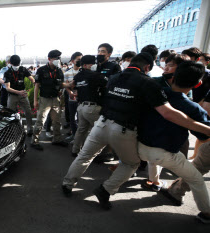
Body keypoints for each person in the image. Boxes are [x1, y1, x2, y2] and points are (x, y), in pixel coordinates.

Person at [61, 53, 210, 211]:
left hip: (101, 123)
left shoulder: (114, 77)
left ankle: (67, 184)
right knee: (131, 163)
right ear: (147, 67)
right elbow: (168, 112)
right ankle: (105, 190)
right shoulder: (148, 83)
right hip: (123, 129)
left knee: (85, 155)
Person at [137, 61, 210, 223]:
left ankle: (153, 181)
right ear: (198, 83)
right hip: (166, 153)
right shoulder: (193, 108)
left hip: (138, 147)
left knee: (153, 160)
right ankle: (207, 213)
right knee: (196, 179)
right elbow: (203, 136)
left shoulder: (156, 92)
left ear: (173, 77)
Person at [62, 55, 107, 157]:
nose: (95, 65)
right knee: (101, 130)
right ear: (87, 65)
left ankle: (75, 150)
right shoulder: (95, 75)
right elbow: (107, 83)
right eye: (93, 63)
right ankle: (96, 154)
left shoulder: (78, 76)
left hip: (81, 107)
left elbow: (72, 86)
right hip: (92, 108)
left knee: (81, 130)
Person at [31, 49, 68, 150]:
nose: (58, 60)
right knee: (40, 121)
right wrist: (35, 100)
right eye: (56, 58)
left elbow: (60, 84)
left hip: (56, 99)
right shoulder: (41, 70)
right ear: (49, 59)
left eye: (59, 58)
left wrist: (67, 86)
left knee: (57, 121)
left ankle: (57, 139)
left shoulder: (59, 70)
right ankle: (34, 141)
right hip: (45, 99)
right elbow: (37, 86)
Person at [93, 43, 121, 163]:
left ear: (109, 54)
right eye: (99, 51)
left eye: (103, 51)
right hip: (95, 101)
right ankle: (103, 152)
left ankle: (110, 153)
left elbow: (116, 83)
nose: (100, 53)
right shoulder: (94, 66)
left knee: (108, 128)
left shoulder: (114, 67)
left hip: (108, 101)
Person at [4, 55, 35, 137]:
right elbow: (7, 88)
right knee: (10, 114)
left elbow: (31, 79)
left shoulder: (23, 69)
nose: (16, 66)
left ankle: (30, 129)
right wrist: (18, 92)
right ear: (10, 63)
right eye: (15, 64)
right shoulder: (7, 73)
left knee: (28, 111)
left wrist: (35, 84)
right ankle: (12, 131)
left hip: (23, 95)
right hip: (13, 95)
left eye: (17, 64)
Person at [64, 52, 83, 141]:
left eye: (81, 60)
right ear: (73, 61)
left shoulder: (84, 72)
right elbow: (66, 86)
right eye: (78, 60)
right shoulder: (67, 73)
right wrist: (70, 93)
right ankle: (74, 135)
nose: (80, 61)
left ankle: (80, 137)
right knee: (72, 118)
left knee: (81, 118)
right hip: (72, 98)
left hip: (82, 99)